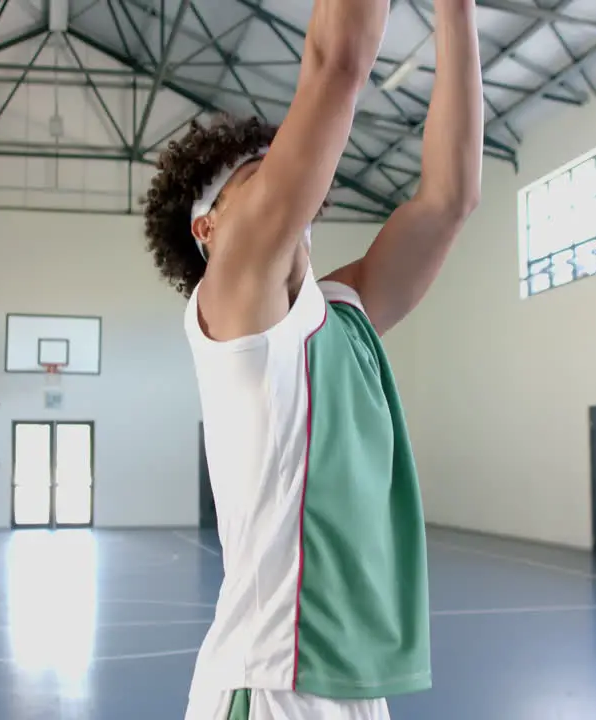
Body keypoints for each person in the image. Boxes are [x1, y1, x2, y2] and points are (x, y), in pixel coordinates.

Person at [142, 0, 482, 716]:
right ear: (208, 226)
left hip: (352, 687)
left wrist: (456, 12)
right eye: (253, 181)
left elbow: (448, 200)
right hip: (268, 681)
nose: (281, 184)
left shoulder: (345, 315)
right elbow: (336, 64)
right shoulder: (232, 301)